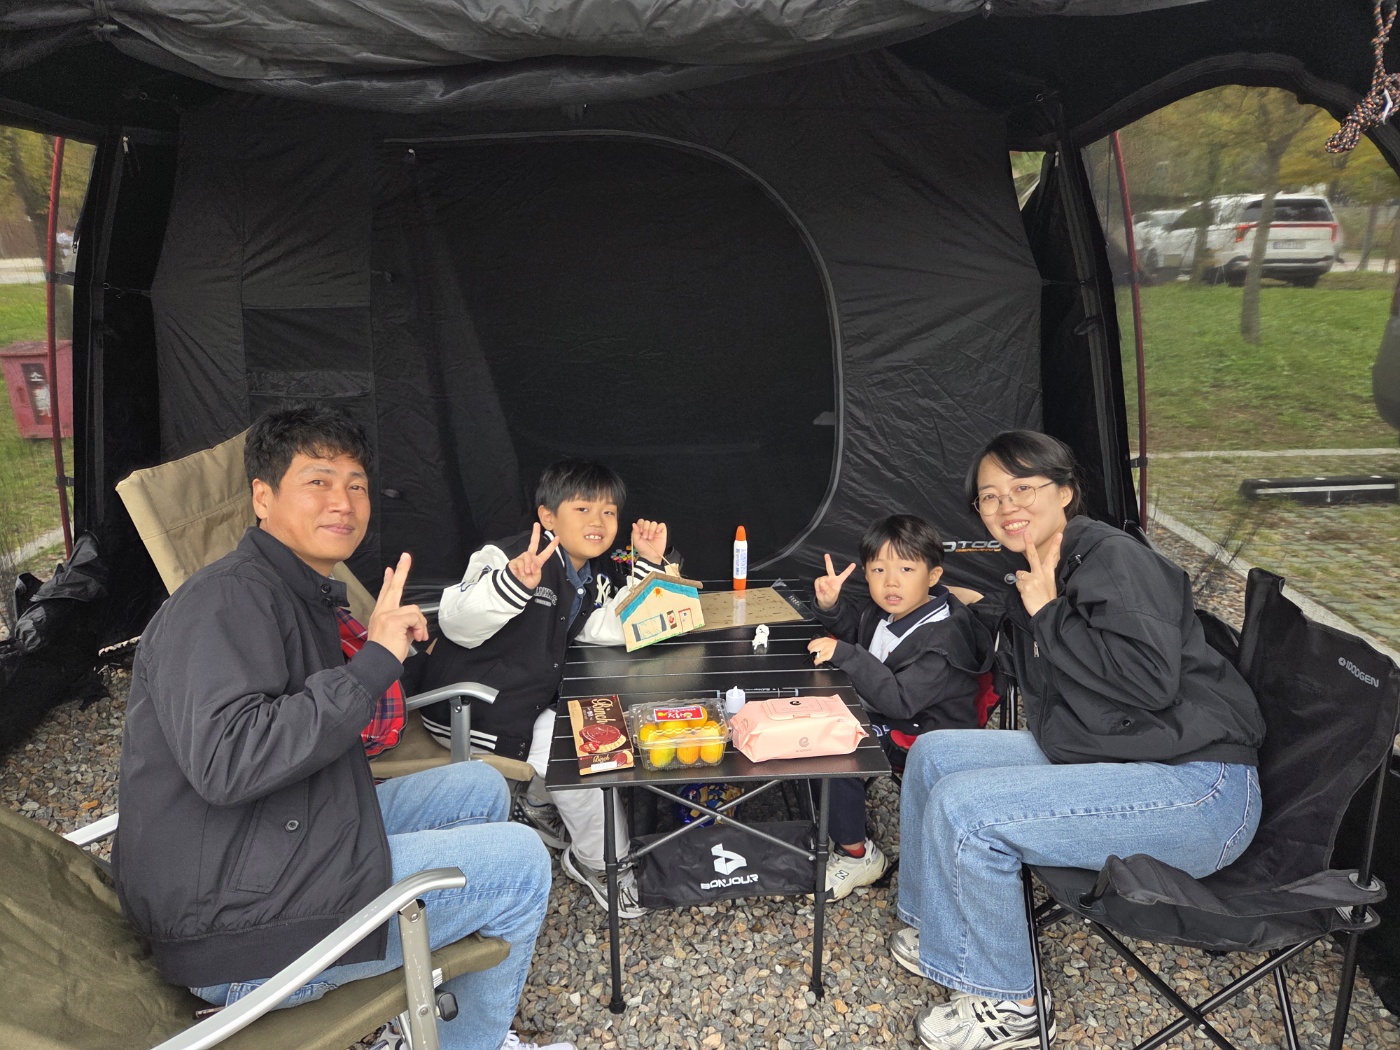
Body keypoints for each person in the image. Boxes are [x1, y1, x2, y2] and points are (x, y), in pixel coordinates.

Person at [112, 402, 570, 1050]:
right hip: (233, 923)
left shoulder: (293, 592)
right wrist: (374, 661)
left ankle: (433, 1015)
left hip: (262, 845)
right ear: (263, 497)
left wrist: (376, 654)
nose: (343, 502)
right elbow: (229, 760)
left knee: (479, 787)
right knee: (522, 865)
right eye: (318, 481)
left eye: (356, 485)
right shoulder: (223, 600)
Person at [892, 430, 1264, 1050]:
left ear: (1065, 491)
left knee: (968, 811)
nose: (1007, 505)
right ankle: (939, 926)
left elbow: (1147, 681)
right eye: (990, 496)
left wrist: (1047, 613)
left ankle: (1011, 1006)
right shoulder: (1043, 568)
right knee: (935, 754)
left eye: (1023, 487)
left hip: (1200, 789)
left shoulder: (1114, 559)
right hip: (1123, 748)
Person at [421, 459, 674, 920]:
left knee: (593, 717)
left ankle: (536, 804)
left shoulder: (585, 575)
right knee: (585, 745)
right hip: (469, 710)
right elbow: (456, 621)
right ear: (547, 516)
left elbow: (612, 627)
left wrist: (649, 565)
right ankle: (601, 864)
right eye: (583, 509)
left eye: (609, 512)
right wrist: (511, 585)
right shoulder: (512, 556)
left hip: (524, 703)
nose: (598, 521)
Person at [806, 514, 990, 900]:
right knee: (807, 720)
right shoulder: (890, 610)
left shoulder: (942, 640)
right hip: (891, 710)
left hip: (927, 730)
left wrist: (844, 654)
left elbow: (900, 701)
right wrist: (831, 605)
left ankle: (857, 854)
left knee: (834, 745)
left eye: (906, 569)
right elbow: (858, 631)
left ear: (933, 575)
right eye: (879, 570)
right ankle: (826, 817)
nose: (891, 582)